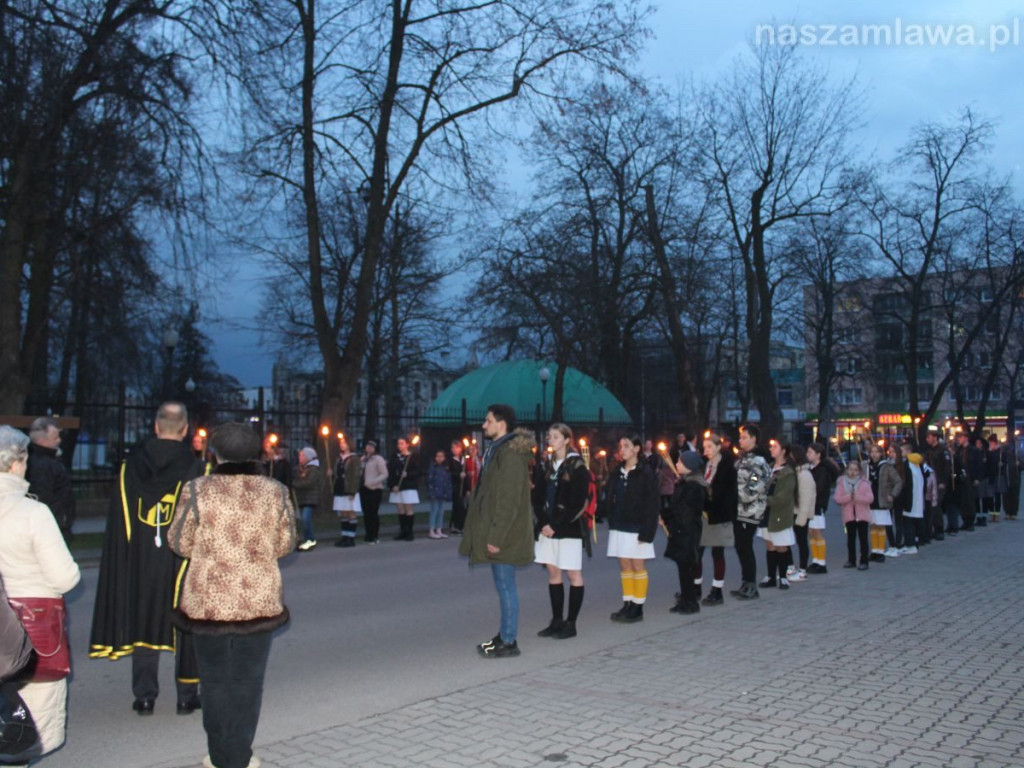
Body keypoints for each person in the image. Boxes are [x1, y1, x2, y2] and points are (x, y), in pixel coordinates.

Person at [169, 422, 295, 768]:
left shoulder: (197, 490)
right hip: (257, 599)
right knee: (247, 682)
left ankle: (220, 756)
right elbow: (286, 543)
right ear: (255, 453)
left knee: (213, 681)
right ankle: (238, 757)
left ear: (215, 453)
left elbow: (178, 542)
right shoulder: (275, 491)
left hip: (207, 600)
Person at [89, 401, 201, 716]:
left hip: (138, 560)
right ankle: (186, 696)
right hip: (181, 560)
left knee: (144, 619)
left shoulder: (129, 468)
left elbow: (118, 524)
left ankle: (145, 696)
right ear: (184, 428)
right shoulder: (196, 468)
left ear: (156, 426)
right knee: (187, 623)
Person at [0, 425, 81, 757]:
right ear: (18, 463)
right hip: (28, 633)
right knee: (21, 731)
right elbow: (65, 578)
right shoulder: (34, 513)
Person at [459, 405, 535, 658]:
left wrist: (496, 537)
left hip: (505, 535)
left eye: (487, 420)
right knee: (503, 585)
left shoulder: (510, 455)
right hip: (499, 531)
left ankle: (509, 641)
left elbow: (508, 500)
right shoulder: (499, 450)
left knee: (505, 586)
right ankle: (504, 634)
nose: (483, 425)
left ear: (501, 424)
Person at [534, 423, 589, 639]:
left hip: (568, 528)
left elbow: (578, 502)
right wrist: (543, 524)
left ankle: (571, 623)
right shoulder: (546, 465)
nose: (550, 440)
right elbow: (537, 498)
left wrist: (555, 525)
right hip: (547, 529)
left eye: (555, 436)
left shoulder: (577, 466)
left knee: (573, 573)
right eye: (549, 436)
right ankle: (556, 620)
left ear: (567, 440)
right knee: (554, 572)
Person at [606, 433, 660, 623]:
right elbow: (611, 495)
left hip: (638, 526)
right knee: (624, 565)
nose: (622, 451)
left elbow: (652, 504)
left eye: (626, 446)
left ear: (636, 449)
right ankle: (627, 603)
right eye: (621, 447)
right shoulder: (617, 471)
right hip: (620, 524)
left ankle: (638, 606)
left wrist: (647, 531)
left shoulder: (645, 472)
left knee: (638, 565)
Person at [664, 451, 708, 614]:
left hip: (687, 532)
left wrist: (669, 517)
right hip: (682, 530)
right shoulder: (685, 483)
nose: (676, 465)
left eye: (680, 463)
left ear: (689, 466)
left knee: (687, 567)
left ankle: (690, 602)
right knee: (683, 567)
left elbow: (684, 509)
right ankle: (685, 598)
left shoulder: (693, 486)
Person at [695, 432, 736, 605]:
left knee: (717, 553)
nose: (707, 450)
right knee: (696, 552)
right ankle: (695, 587)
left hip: (719, 514)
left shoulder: (727, 467)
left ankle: (717, 590)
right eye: (704, 447)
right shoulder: (703, 464)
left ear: (719, 447)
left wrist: (712, 497)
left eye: (710, 447)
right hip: (703, 514)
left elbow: (729, 493)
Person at [731, 425, 770, 600]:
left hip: (750, 511)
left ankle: (751, 585)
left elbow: (754, 487)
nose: (740, 440)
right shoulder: (742, 459)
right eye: (740, 437)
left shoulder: (758, 462)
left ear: (754, 439)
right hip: (739, 510)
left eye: (744, 437)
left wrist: (735, 495)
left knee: (745, 547)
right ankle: (746, 581)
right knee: (740, 546)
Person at [25, 416, 75, 541]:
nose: (59, 440)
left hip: (54, 522)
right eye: (55, 437)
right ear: (42, 440)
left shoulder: (45, 460)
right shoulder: (43, 464)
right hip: (51, 525)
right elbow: (43, 496)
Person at [758, 440, 796, 590]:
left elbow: (784, 496)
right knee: (769, 544)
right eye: (770, 446)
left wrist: (764, 500)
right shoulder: (767, 467)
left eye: (775, 447)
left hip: (779, 513)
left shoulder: (788, 472)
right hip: (766, 513)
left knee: (781, 545)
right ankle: (771, 576)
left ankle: (783, 576)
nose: (771, 449)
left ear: (783, 451)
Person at [805, 442, 839, 574]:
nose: (807, 455)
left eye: (810, 452)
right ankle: (815, 560)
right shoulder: (811, 468)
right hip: (810, 505)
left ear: (818, 455)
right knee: (811, 533)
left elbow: (819, 489)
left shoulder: (822, 470)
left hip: (817, 505)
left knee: (817, 533)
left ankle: (821, 562)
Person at [834, 459, 874, 570]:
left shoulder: (864, 483)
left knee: (863, 539)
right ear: (847, 470)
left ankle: (864, 560)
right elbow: (837, 498)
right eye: (851, 469)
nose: (853, 472)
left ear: (859, 471)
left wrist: (856, 497)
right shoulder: (842, 483)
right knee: (850, 539)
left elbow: (870, 498)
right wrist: (848, 497)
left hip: (862, 516)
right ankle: (851, 560)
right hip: (849, 516)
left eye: (855, 470)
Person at [867, 443, 902, 562]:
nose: (874, 454)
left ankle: (880, 551)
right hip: (870, 500)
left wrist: (892, 494)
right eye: (872, 452)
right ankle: (874, 550)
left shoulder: (886, 467)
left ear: (881, 454)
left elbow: (898, 481)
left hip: (881, 500)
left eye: (877, 452)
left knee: (880, 525)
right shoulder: (866, 466)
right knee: (873, 525)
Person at [789, 444, 815, 581]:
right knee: (787, 540)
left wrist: (802, 518)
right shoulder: (793, 472)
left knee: (801, 541)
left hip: (800, 513)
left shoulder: (804, 475)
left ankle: (802, 570)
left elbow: (806, 499)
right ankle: (791, 567)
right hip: (792, 512)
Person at [388, 437, 420, 541]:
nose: (399, 446)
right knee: (400, 508)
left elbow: (417, 472)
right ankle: (403, 531)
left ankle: (410, 532)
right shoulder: (395, 457)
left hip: (408, 486)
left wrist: (408, 474)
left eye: (402, 444)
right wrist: (392, 485)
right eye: (398, 444)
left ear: (407, 445)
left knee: (408, 508)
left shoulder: (412, 456)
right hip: (397, 487)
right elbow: (391, 472)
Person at [332, 435, 362, 548]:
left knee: (351, 512)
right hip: (340, 487)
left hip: (349, 488)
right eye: (340, 442)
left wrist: (352, 491)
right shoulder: (339, 458)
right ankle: (344, 536)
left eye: (344, 442)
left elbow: (356, 475)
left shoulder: (354, 458)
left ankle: (351, 537)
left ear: (349, 444)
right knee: (343, 512)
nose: (341, 444)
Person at [293, 446, 323, 551]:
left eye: (302, 455)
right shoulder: (301, 468)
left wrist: (295, 484)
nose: (300, 457)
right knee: (303, 520)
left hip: (310, 498)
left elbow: (309, 483)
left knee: (306, 518)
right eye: (300, 455)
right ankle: (307, 539)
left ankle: (310, 540)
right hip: (303, 498)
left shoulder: (313, 469)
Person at [358, 440, 388, 544]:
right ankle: (368, 534)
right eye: (368, 446)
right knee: (366, 513)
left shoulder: (378, 459)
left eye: (372, 447)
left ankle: (374, 535)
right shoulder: (363, 459)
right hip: (364, 489)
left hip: (375, 489)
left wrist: (372, 482)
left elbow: (384, 474)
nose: (369, 448)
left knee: (373, 513)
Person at [902, 453, 926, 554]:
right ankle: (914, 541)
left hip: (910, 498)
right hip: (917, 498)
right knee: (913, 521)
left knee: (908, 522)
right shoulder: (916, 465)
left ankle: (910, 544)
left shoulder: (908, 465)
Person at [426, 450, 452, 539]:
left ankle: (439, 529)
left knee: (441, 511)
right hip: (434, 492)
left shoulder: (445, 468)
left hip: (442, 492)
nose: (439, 458)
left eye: (441, 456)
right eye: (438, 456)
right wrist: (431, 492)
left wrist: (447, 491)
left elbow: (448, 481)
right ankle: (431, 530)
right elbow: (429, 481)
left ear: (444, 458)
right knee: (434, 510)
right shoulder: (433, 467)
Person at [447, 440, 468, 535]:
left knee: (456, 506)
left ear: (460, 448)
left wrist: (467, 488)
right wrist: (458, 474)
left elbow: (466, 473)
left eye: (455, 447)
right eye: (452, 448)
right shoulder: (450, 460)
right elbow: (449, 473)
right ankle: (460, 526)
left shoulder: (463, 459)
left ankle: (453, 525)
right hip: (454, 486)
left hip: (462, 486)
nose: (453, 449)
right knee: (460, 506)